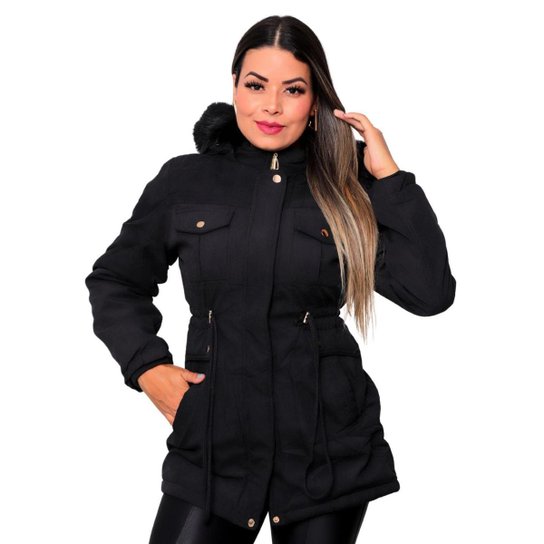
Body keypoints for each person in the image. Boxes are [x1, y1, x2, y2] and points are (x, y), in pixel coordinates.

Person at [84, 14, 456, 544]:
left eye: (293, 90)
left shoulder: (346, 185)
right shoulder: (185, 180)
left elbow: (429, 293)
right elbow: (116, 280)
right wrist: (148, 367)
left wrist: (389, 178)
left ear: (316, 99)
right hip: (214, 445)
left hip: (327, 450)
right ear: (234, 85)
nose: (272, 106)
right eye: (256, 85)